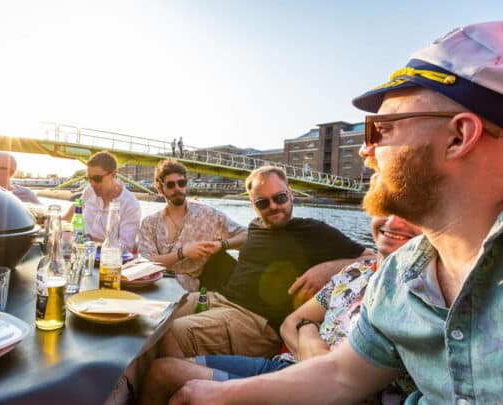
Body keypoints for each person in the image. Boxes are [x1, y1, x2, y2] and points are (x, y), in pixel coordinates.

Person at [170, 21, 503, 404]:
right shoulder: (398, 276)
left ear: (458, 136)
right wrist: (216, 395)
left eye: (380, 129)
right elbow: (342, 375)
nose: (365, 151)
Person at [141, 215, 421, 404]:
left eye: (413, 213)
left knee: (185, 379)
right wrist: (309, 334)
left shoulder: (420, 292)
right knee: (160, 364)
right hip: (286, 366)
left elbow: (337, 378)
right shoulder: (357, 273)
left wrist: (309, 337)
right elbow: (293, 321)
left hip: (319, 391)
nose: (395, 221)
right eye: (387, 208)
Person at [157, 165, 372, 360]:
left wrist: (326, 270)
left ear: (291, 194)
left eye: (279, 197)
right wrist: (221, 245)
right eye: (262, 202)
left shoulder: (314, 231)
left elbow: (370, 258)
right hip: (219, 299)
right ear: (253, 205)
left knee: (170, 333)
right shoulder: (255, 226)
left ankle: (177, 382)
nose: (273, 206)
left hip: (257, 324)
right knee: (153, 316)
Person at [138, 160, 247, 291]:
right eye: (171, 185)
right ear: (160, 189)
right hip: (155, 285)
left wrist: (221, 245)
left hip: (188, 288)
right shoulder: (150, 223)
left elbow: (247, 235)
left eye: (181, 183)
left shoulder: (208, 214)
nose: (177, 188)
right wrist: (182, 253)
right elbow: (148, 264)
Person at [63, 151, 141, 252]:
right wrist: (60, 224)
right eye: (89, 179)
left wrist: (89, 239)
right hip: (83, 255)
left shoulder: (130, 205)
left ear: (113, 174)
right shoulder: (90, 190)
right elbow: (75, 207)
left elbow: (125, 248)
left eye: (97, 179)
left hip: (109, 262)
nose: (92, 184)